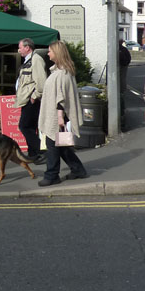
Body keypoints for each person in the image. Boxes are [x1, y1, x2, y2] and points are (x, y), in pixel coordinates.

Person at [37, 40, 87, 186]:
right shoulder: (59, 71)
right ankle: (78, 169)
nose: (48, 53)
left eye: (50, 51)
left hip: (57, 115)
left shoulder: (63, 73)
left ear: (57, 53)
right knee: (62, 145)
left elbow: (62, 97)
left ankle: (52, 175)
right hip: (56, 114)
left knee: (52, 144)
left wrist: (60, 117)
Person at [15, 38, 48, 164]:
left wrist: (35, 96)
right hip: (27, 99)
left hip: (32, 99)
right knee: (31, 126)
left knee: (23, 126)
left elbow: (41, 81)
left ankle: (42, 152)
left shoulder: (36, 59)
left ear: (27, 47)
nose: (19, 50)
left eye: (20, 48)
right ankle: (33, 155)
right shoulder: (28, 60)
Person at [118, 39, 132, 129]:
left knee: (121, 95)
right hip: (122, 81)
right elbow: (127, 61)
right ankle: (122, 115)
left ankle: (122, 115)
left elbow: (126, 61)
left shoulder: (121, 50)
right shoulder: (124, 50)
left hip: (121, 80)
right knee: (121, 94)